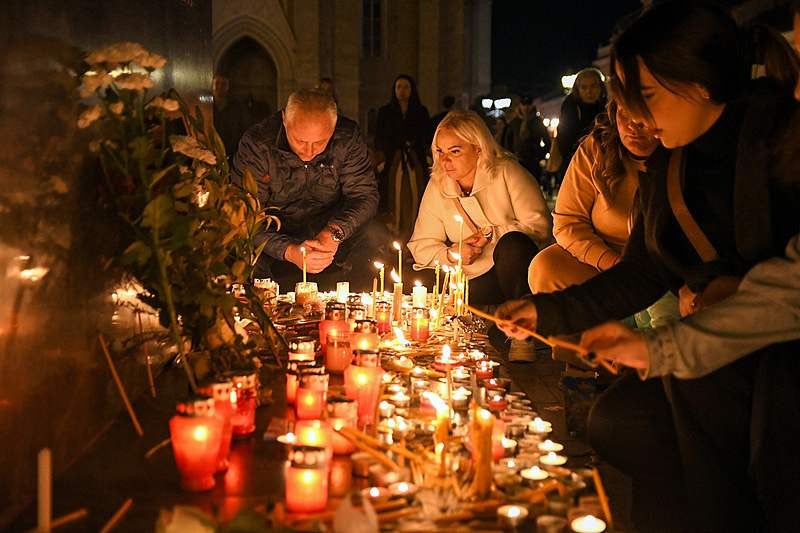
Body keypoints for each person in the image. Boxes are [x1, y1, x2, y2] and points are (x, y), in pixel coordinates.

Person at [496, 2, 799, 531]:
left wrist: (669, 340)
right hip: (703, 355)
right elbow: (643, 271)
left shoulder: (779, 144)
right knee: (618, 421)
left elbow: (782, 293)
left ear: (700, 86)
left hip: (767, 363)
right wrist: (545, 313)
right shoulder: (674, 162)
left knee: (685, 419)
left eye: (649, 96)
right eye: (628, 99)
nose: (637, 116)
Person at [408, 110, 553, 361]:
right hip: (470, 279)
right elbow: (421, 245)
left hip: (514, 273)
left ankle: (522, 334)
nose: (445, 160)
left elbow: (540, 227)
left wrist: (492, 234)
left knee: (513, 245)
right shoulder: (438, 185)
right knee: (407, 275)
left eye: (455, 151)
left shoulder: (506, 172)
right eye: (440, 151)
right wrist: (452, 254)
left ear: (478, 149)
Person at [233, 88, 386, 292]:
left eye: (320, 143)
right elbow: (244, 217)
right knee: (244, 255)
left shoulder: (346, 138)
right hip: (274, 236)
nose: (309, 152)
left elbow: (365, 196)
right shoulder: (258, 144)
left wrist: (335, 232)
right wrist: (289, 250)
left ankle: (360, 309)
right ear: (285, 120)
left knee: (374, 234)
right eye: (300, 141)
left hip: (329, 230)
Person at [374, 74, 432, 237]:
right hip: (393, 160)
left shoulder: (420, 111)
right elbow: (380, 136)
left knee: (415, 194)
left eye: (406, 87)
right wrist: (383, 157)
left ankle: (414, 233)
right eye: (399, 87)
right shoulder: (385, 111)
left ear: (412, 90)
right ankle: (394, 234)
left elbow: (426, 136)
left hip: (415, 160)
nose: (402, 91)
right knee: (394, 195)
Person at [555, 68, 607, 174]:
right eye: (584, 87)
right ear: (577, 89)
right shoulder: (570, 107)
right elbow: (564, 140)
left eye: (593, 86)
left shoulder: (605, 107)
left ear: (601, 87)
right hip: (576, 164)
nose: (589, 91)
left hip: (601, 163)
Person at [501, 95, 550, 181]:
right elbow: (506, 142)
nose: (526, 108)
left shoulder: (537, 122)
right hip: (517, 161)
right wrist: (511, 156)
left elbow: (547, 141)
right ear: (520, 106)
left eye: (528, 105)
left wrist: (539, 155)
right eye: (524, 105)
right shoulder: (514, 122)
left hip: (533, 162)